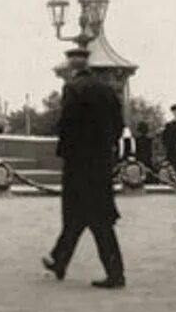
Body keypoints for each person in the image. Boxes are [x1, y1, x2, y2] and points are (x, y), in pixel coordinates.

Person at [42, 48, 126, 289]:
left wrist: (67, 152)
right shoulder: (106, 89)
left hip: (79, 163)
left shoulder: (73, 89)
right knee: (84, 216)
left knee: (90, 218)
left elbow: (67, 124)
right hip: (100, 163)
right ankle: (59, 260)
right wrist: (106, 146)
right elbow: (118, 125)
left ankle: (115, 274)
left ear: (71, 66)